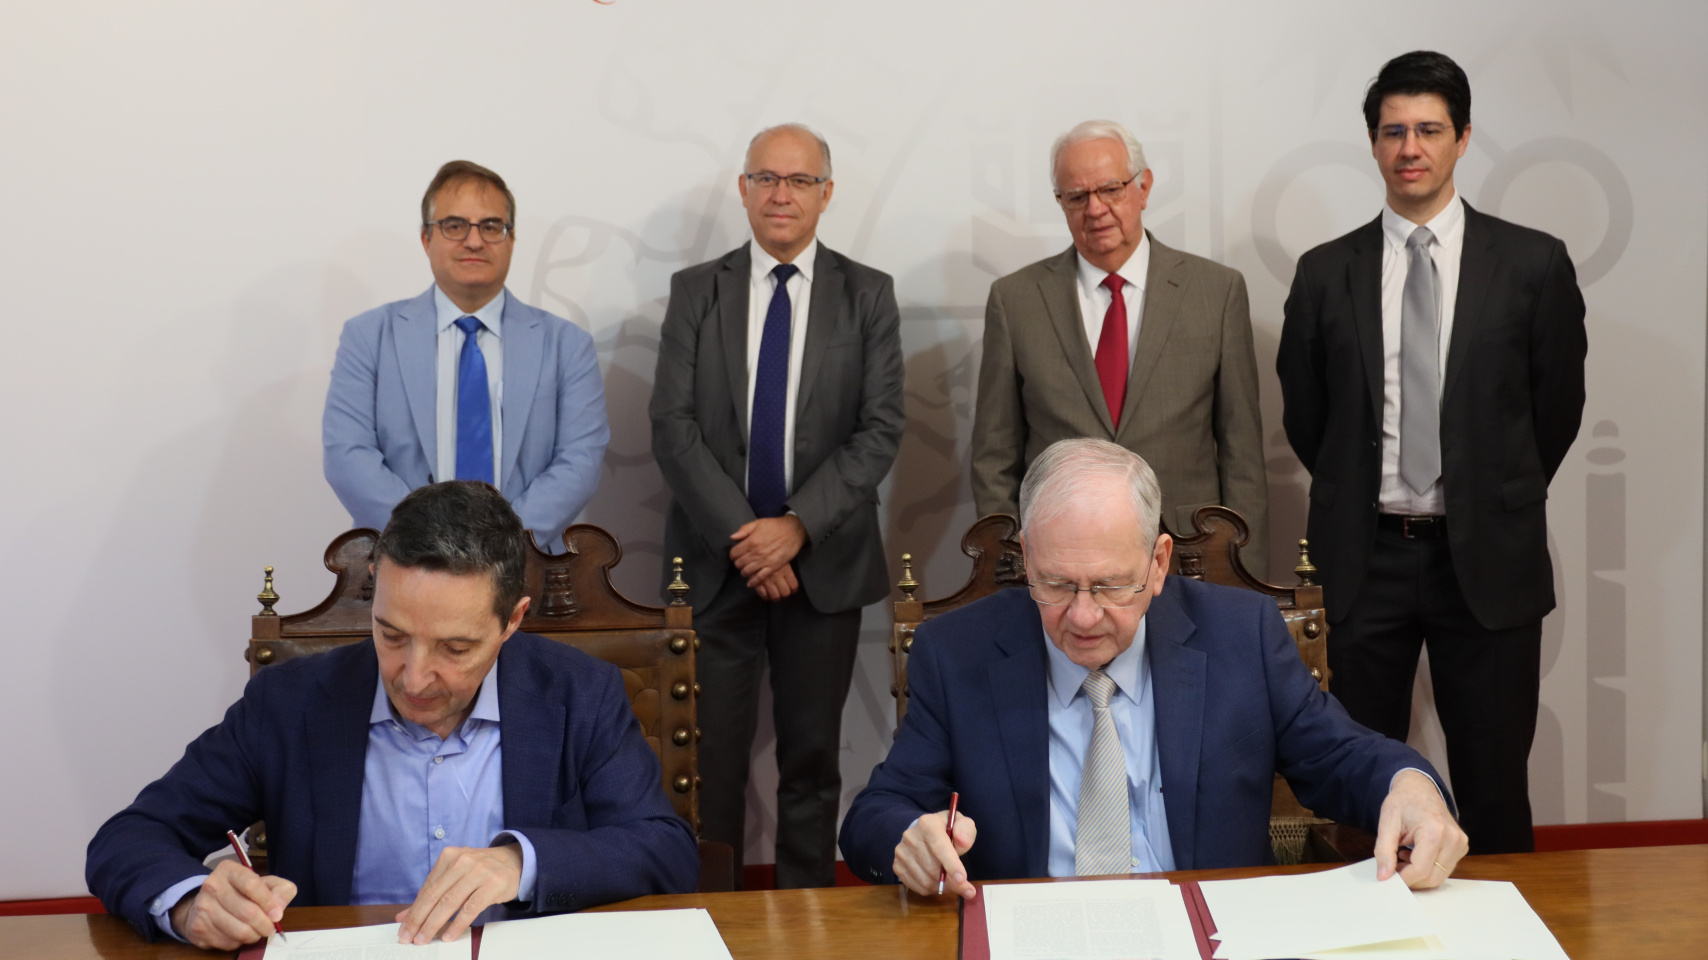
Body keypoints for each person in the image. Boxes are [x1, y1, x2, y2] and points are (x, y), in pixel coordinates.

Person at [839, 438, 1466, 896]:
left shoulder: (1240, 636)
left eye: (1112, 585)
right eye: (1056, 583)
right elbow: (877, 811)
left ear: (1159, 562)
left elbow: (1342, 758)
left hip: (1209, 935)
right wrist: (907, 838)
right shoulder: (959, 653)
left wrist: (1413, 787)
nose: (1083, 617)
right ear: (1026, 558)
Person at [86, 481, 698, 948]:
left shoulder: (578, 692)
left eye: (454, 649)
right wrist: (193, 902)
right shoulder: (291, 703)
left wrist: (521, 863)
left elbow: (664, 850)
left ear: (512, 621)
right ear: (375, 590)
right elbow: (128, 839)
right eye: (392, 633)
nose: (413, 676)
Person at [1276, 51, 1587, 854]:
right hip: (1364, 559)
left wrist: (1491, 494)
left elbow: (1554, 410)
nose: (1409, 146)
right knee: (1356, 776)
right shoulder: (1324, 272)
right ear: (1373, 145)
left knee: (1491, 778)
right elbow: (1309, 417)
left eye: (1428, 129)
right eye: (1392, 131)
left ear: (1463, 139)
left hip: (1486, 559)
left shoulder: (1530, 263)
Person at [650, 123, 905, 888]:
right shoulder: (699, 290)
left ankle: (807, 920)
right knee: (709, 768)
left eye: (799, 180)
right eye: (766, 178)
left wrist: (794, 529)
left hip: (823, 567)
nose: (781, 194)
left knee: (812, 764)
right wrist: (748, 539)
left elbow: (880, 428)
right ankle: (712, 916)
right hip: (716, 565)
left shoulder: (869, 293)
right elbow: (672, 426)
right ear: (743, 189)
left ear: (827, 193)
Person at [971, 120, 1269, 576]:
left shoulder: (1217, 292)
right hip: (1062, 571)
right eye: (1077, 196)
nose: (1095, 209)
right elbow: (995, 456)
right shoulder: (1015, 301)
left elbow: (1241, 454)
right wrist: (1011, 566)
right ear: (1061, 203)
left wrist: (1245, 574)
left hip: (1191, 557)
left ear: (1143, 187)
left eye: (1110, 189)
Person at [323, 160, 609, 554]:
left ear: (511, 240)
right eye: (454, 225)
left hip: (531, 568)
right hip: (401, 567)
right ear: (426, 239)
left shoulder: (567, 345)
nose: (474, 241)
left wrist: (500, 548)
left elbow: (579, 462)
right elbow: (347, 455)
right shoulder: (369, 336)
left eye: (491, 226)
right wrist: (426, 544)